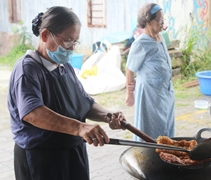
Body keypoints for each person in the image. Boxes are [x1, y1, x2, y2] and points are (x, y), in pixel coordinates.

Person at [7, 6, 125, 180]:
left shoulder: (65, 67)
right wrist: (79, 127)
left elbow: (84, 101)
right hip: (42, 158)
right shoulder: (28, 69)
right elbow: (33, 113)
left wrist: (108, 115)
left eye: (75, 42)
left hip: (72, 150)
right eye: (68, 41)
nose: (71, 48)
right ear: (45, 35)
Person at [125, 3, 175, 141]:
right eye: (159, 20)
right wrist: (130, 93)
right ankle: (149, 156)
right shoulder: (141, 43)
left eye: (162, 19)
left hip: (165, 92)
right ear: (148, 21)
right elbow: (130, 69)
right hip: (150, 95)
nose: (162, 23)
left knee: (166, 127)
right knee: (150, 130)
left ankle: (167, 153)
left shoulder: (160, 38)